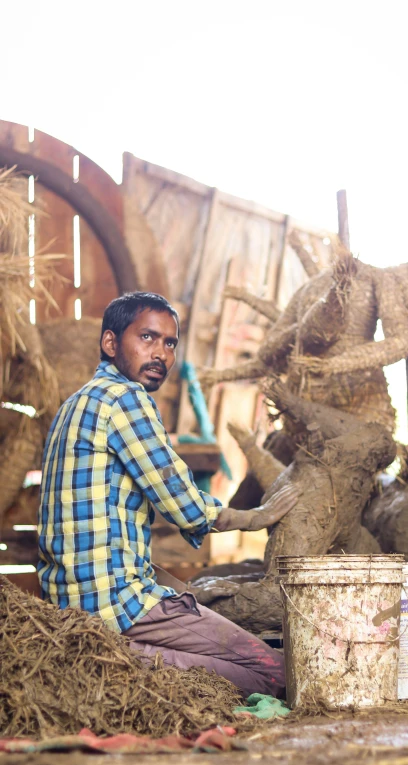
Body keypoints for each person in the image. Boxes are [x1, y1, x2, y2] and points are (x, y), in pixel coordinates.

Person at [37, 291, 298, 698]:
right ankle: (131, 664)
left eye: (170, 343)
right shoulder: (125, 399)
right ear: (110, 343)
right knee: (278, 672)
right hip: (119, 606)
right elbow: (185, 506)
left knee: (213, 626)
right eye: (147, 338)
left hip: (73, 610)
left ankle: (120, 658)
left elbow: (102, 540)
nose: (160, 352)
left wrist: (183, 591)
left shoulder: (73, 405)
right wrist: (257, 516)